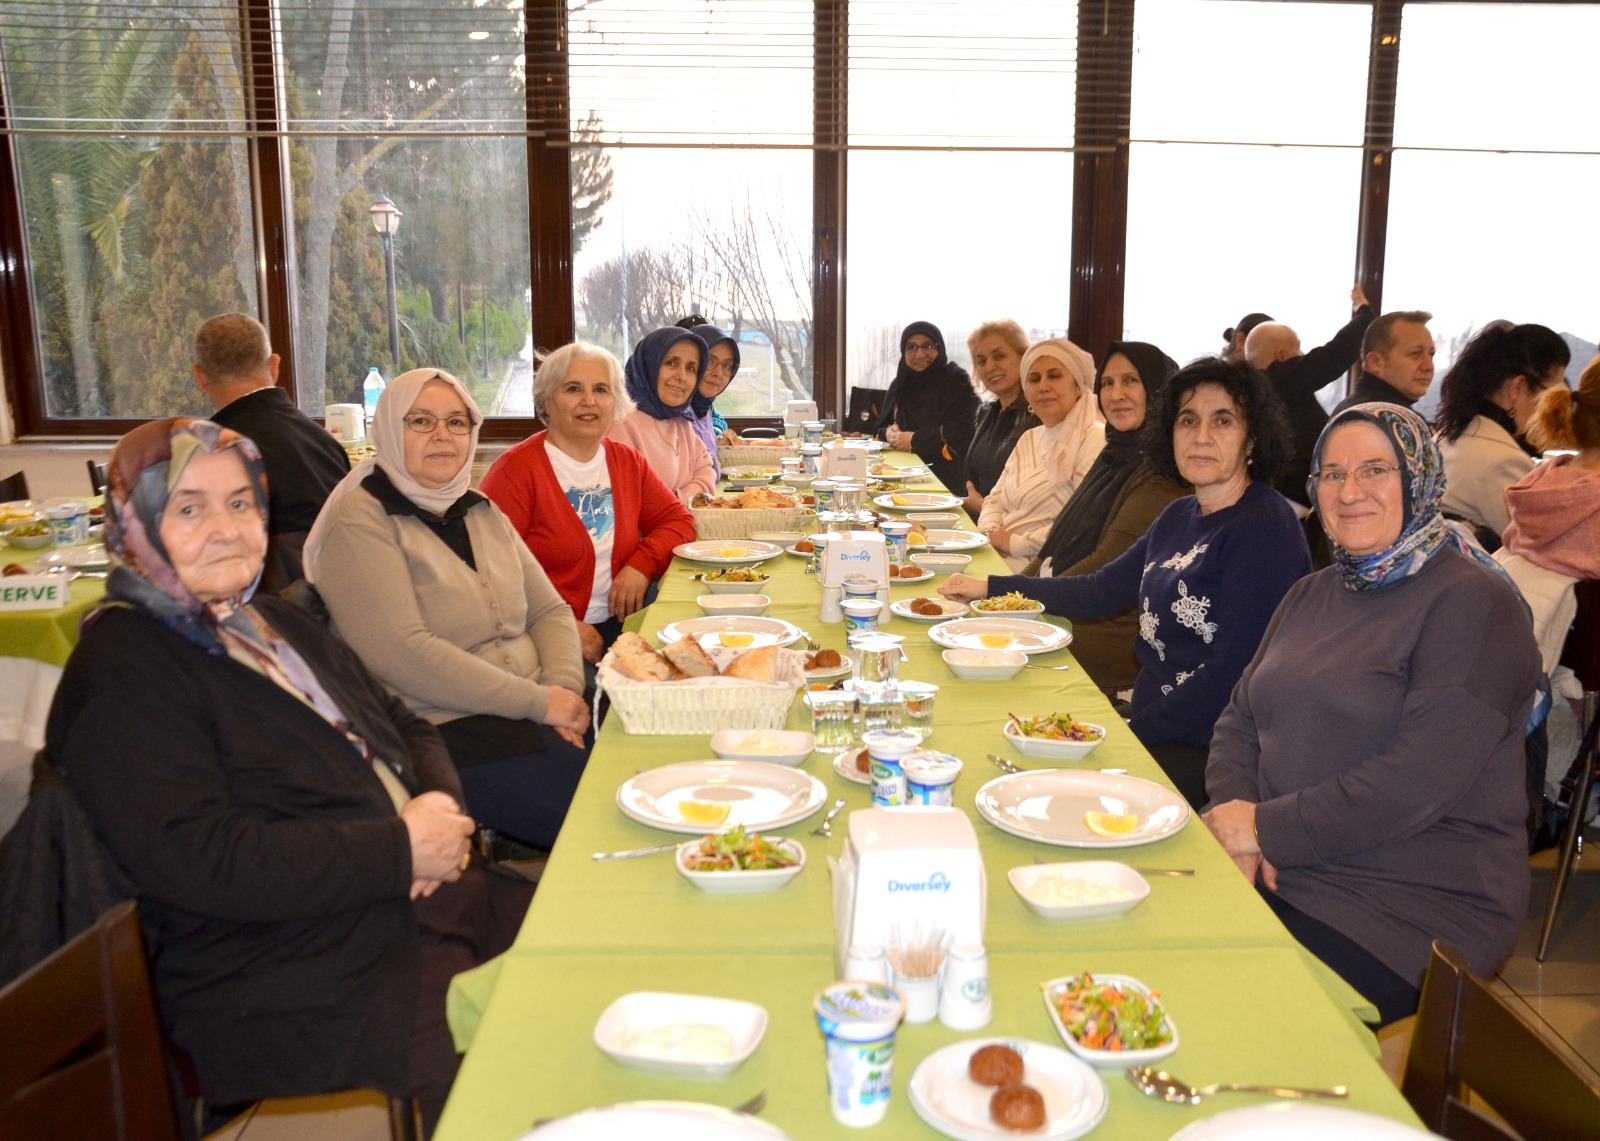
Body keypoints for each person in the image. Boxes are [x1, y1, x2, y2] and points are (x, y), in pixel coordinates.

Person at [46, 418, 528, 1129]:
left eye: (240, 502)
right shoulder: (123, 669)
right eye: (188, 508)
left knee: (583, 956)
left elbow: (406, 723)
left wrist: (439, 812)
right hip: (277, 958)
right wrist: (398, 852)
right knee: (501, 1069)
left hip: (400, 891)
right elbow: (202, 859)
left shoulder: (271, 620)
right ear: (133, 523)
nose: (226, 529)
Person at [1203, 403, 1541, 1026]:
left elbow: (1414, 784)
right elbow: (1239, 721)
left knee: (1222, 1013)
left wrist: (1265, 829)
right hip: (1280, 862)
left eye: (1375, 470)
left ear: (1419, 479)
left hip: (1402, 902)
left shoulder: (1474, 604)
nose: (1350, 491)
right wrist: (1237, 820)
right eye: (1332, 474)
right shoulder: (1313, 591)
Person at [941, 359, 1310, 806]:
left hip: (1210, 749)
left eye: (1223, 421)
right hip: (1152, 721)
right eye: (1187, 420)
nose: (1201, 437)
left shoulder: (1265, 527)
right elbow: (1099, 590)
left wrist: (1130, 732)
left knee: (1044, 794)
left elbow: (1233, 675)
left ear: (1252, 438)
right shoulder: (1178, 514)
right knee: (1003, 742)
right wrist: (989, 587)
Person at [305, 369, 590, 850]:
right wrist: (540, 704)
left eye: (457, 422)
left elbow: (550, 612)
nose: (443, 435)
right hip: (445, 729)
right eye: (421, 421)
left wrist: (563, 690)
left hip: (535, 701)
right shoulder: (359, 521)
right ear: (389, 430)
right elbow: (402, 652)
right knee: (600, 812)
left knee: (643, 748)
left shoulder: (477, 507)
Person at [480, 342, 695, 665]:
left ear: (616, 401)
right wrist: (559, 624)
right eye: (573, 388)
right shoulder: (514, 472)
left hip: (619, 626)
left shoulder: (627, 462)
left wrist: (640, 566)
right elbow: (488, 578)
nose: (589, 401)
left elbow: (679, 522)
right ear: (547, 400)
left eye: (601, 390)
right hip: (541, 635)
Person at [1027, 341, 1186, 694]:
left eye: (1131, 381)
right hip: (1069, 608)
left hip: (1107, 639)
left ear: (1159, 391)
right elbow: (1056, 547)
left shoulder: (1163, 476)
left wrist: (1018, 602)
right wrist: (1003, 594)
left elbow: (1101, 571)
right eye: (1108, 383)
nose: (1116, 395)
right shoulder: (1114, 454)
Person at [192, 312, 349, 591]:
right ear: (274, 365)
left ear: (201, 377)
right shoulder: (324, 442)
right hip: (343, 592)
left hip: (264, 604)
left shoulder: (210, 454)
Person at [1434, 322, 1571, 548]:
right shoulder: (1502, 461)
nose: (1554, 409)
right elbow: (1543, 547)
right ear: (1517, 388)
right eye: (1552, 395)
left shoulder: (1449, 435)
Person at [976, 338, 1105, 570]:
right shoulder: (1029, 438)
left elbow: (1083, 522)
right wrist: (989, 533)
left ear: (1078, 386)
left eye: (1054, 376)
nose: (1043, 386)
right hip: (996, 554)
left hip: (1044, 569)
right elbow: (994, 500)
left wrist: (1014, 544)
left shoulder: (1095, 438)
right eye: (1034, 379)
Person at [1244, 284, 1375, 508]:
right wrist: (1363, 313)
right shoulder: (1279, 378)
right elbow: (1337, 353)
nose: (1303, 355)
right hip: (1295, 498)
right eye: (1299, 349)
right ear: (1282, 356)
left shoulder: (1253, 389)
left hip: (1283, 492)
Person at [606, 326, 716, 503]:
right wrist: (683, 502)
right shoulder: (620, 423)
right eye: (671, 363)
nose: (682, 376)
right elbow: (630, 503)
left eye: (691, 368)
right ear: (649, 365)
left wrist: (679, 499)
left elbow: (707, 471)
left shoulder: (681, 421)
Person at [874, 321, 981, 493]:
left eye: (928, 346)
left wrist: (915, 441)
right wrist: (888, 433)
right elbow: (879, 427)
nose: (920, 354)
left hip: (946, 478)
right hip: (900, 474)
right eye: (912, 347)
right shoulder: (900, 384)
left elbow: (966, 429)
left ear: (939, 348)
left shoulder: (956, 380)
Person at [961, 319, 1036, 516]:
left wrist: (985, 509)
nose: (990, 367)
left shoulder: (1039, 416)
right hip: (979, 524)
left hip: (1007, 529)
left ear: (1024, 356)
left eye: (999, 356)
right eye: (981, 361)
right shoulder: (986, 412)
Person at [1332, 309, 1436, 414]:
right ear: (1375, 362)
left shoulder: (1355, 409)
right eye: (1415, 353)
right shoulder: (1380, 417)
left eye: (1431, 354)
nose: (1429, 366)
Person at [686, 323, 742, 470]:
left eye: (727, 365)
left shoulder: (704, 409)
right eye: (710, 361)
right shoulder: (676, 413)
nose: (718, 373)